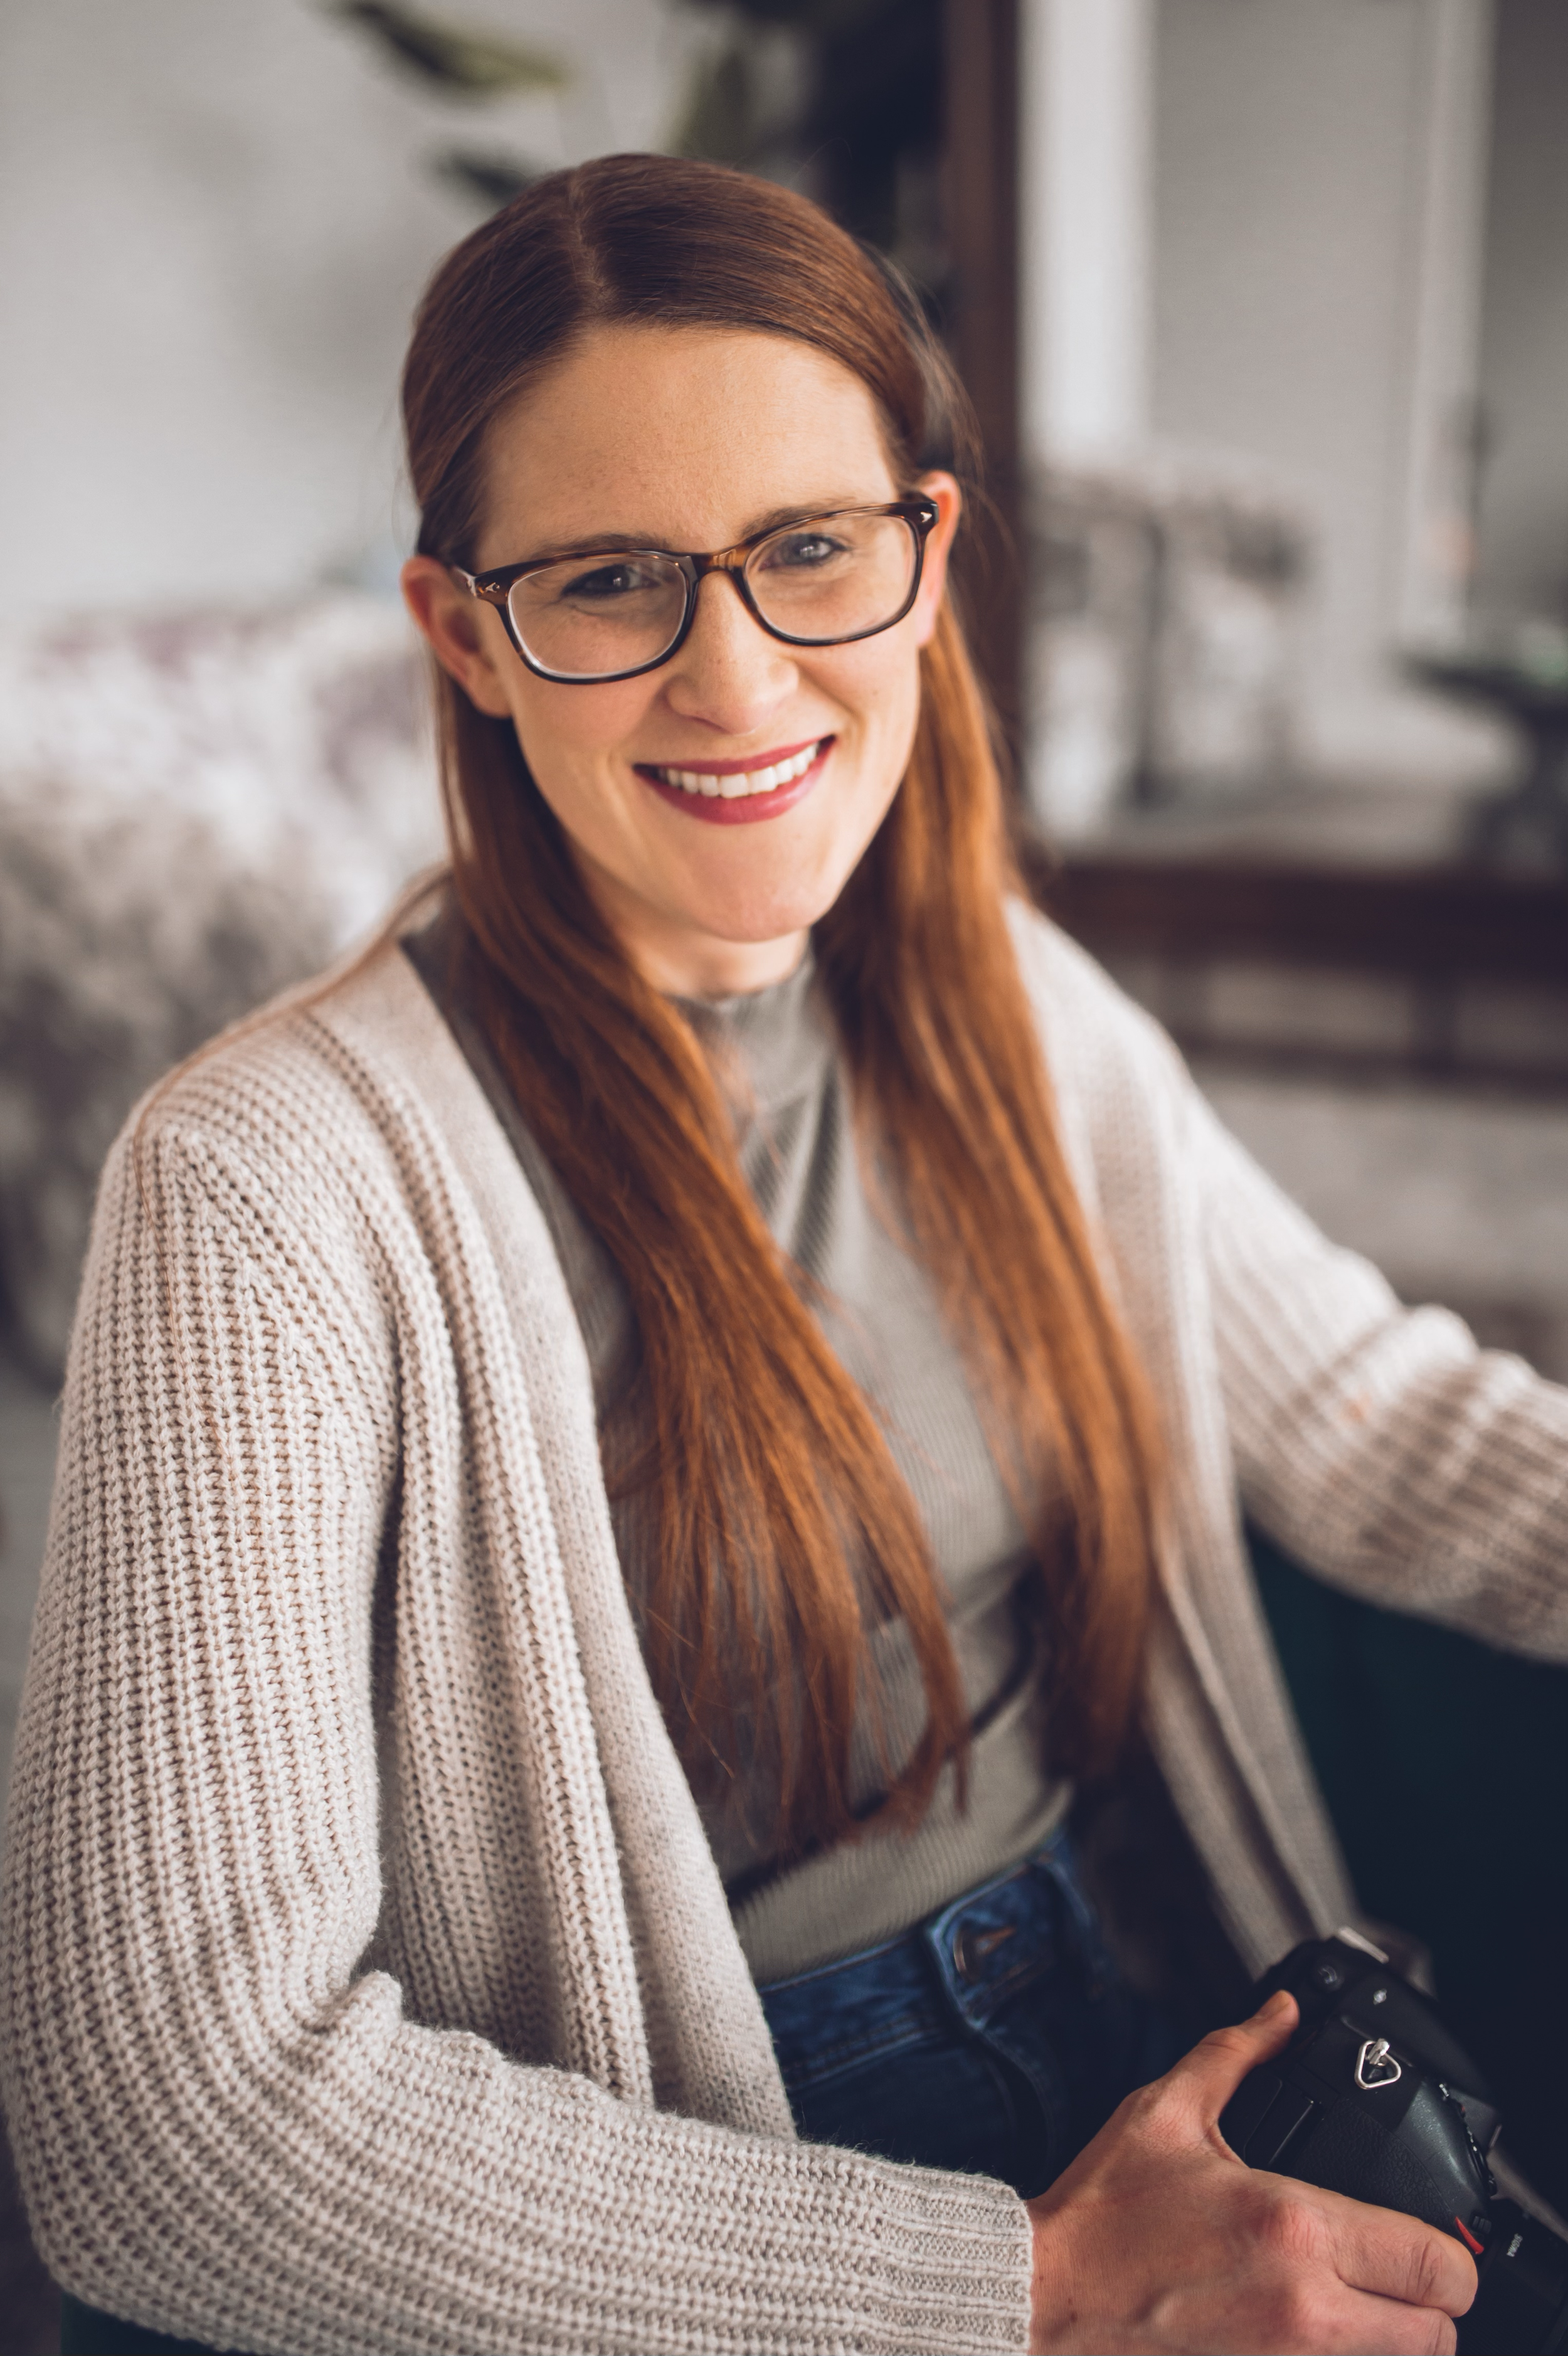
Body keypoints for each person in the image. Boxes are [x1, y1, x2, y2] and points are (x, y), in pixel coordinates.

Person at [2, 154, 1561, 2356]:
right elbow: (164, 2115)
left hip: (1162, 2011)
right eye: (613, 579)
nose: (735, 679)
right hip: (702, 2197)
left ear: (922, 558)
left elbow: (1375, 1414)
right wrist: (1008, 2292)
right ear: (468, 635)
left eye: (807, 549)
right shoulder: (264, 1182)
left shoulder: (1005, 996)